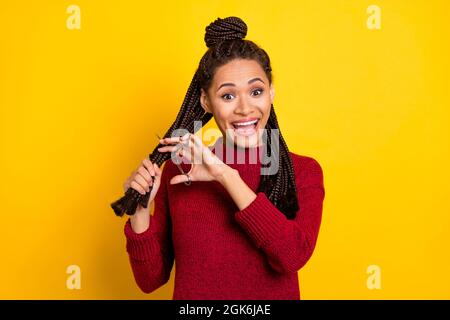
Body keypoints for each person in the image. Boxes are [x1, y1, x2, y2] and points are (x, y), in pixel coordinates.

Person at [122, 16, 325, 300]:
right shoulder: (179, 172)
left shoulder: (303, 171)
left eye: (256, 91)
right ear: (206, 102)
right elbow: (150, 280)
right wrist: (140, 212)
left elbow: (290, 257)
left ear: (271, 93)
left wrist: (225, 175)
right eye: (228, 96)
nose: (245, 108)